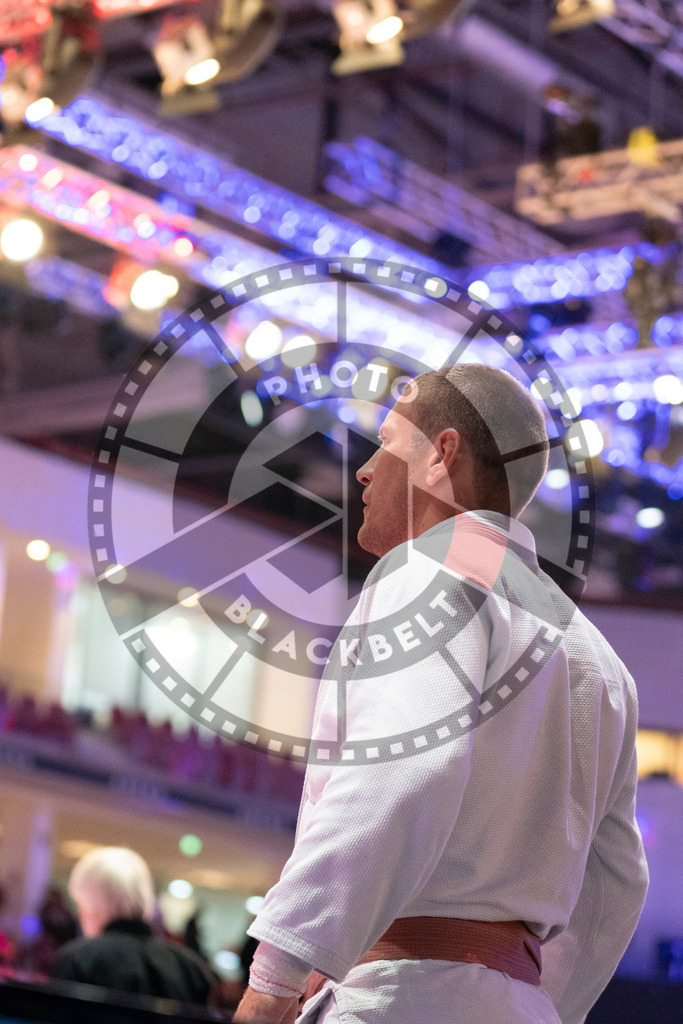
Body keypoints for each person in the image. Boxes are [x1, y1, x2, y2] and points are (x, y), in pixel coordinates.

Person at [233, 364, 649, 1024]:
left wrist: (275, 979)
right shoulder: (598, 658)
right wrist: (536, 1005)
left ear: (440, 455)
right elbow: (616, 883)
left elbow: (400, 772)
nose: (364, 470)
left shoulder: (427, 572)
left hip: (401, 998)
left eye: (385, 443)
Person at [50, 846, 215, 1005]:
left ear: (92, 905)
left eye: (80, 904)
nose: (80, 914)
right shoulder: (191, 968)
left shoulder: (77, 959)